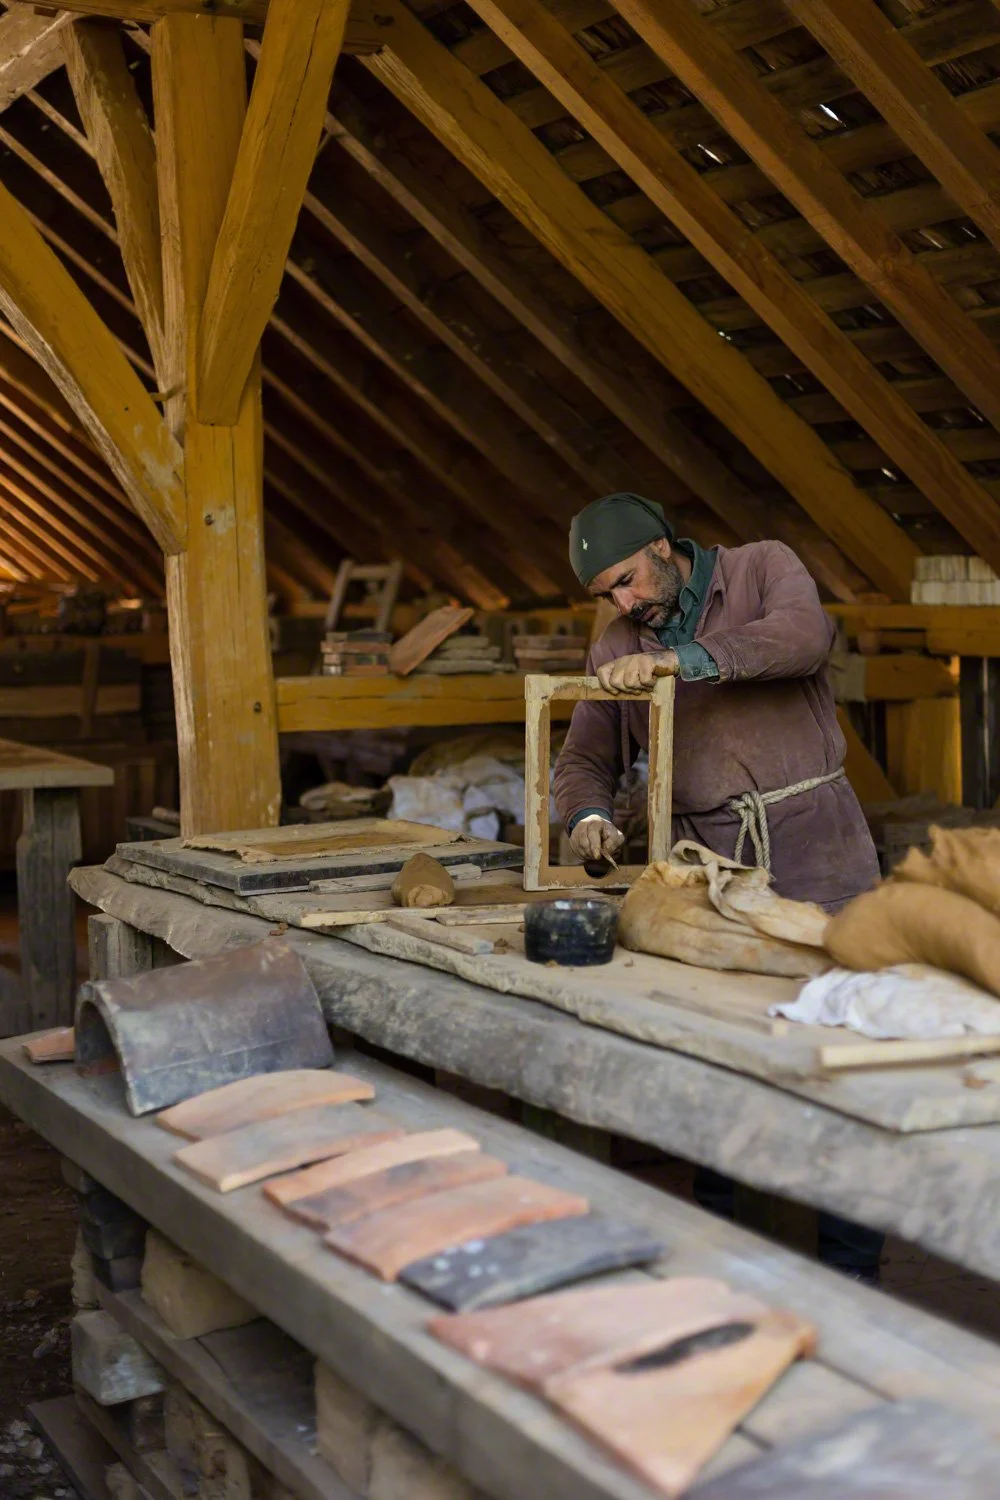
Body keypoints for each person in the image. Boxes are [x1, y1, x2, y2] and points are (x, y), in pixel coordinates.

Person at [553, 491, 883, 1283]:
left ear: (665, 548)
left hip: (818, 847)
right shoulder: (613, 649)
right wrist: (588, 817)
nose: (624, 603)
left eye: (629, 580)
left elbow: (803, 639)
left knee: (847, 1063)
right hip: (705, 873)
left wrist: (680, 663)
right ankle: (726, 1272)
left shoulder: (764, 568)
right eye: (608, 594)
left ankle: (853, 1277)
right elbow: (583, 760)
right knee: (721, 1069)